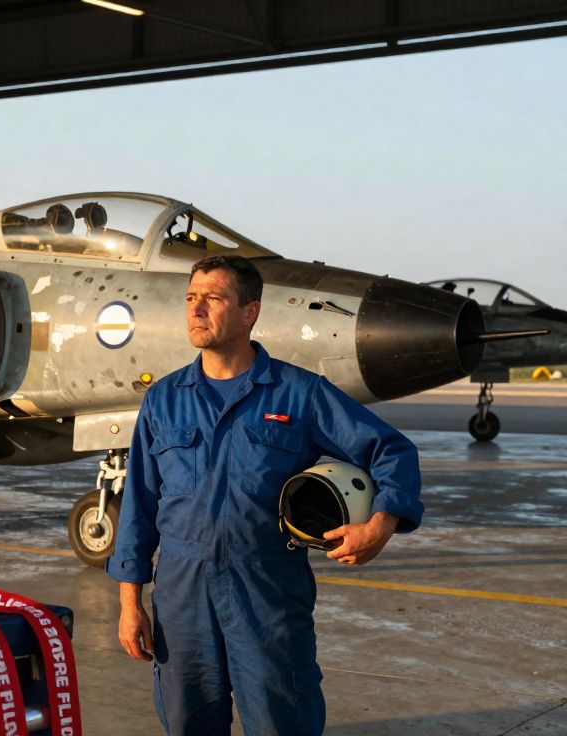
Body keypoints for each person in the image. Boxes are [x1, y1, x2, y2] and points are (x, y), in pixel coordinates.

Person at [106, 254, 423, 735]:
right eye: (191, 298)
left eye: (213, 298)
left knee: (281, 721)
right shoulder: (164, 399)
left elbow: (390, 449)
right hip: (181, 595)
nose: (196, 310)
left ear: (249, 312)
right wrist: (130, 603)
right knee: (187, 722)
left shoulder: (299, 393)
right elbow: (139, 506)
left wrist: (381, 524)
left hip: (267, 591)